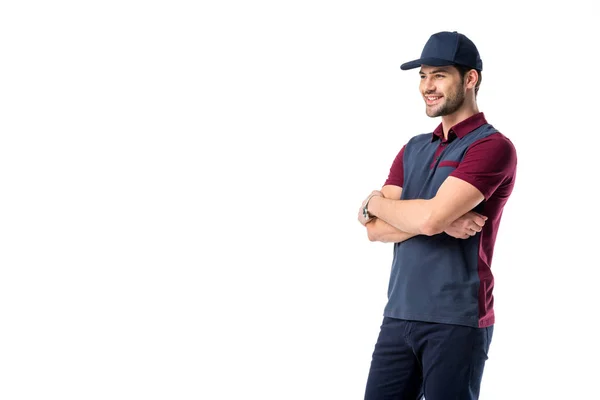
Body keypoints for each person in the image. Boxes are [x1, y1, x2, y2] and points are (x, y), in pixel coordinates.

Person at [357, 31, 517, 400]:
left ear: (470, 79)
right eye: (423, 75)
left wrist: (375, 204)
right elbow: (375, 232)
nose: (427, 86)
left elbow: (427, 220)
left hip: (455, 320)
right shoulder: (413, 148)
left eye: (440, 74)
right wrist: (419, 215)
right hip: (398, 315)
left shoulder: (491, 147)